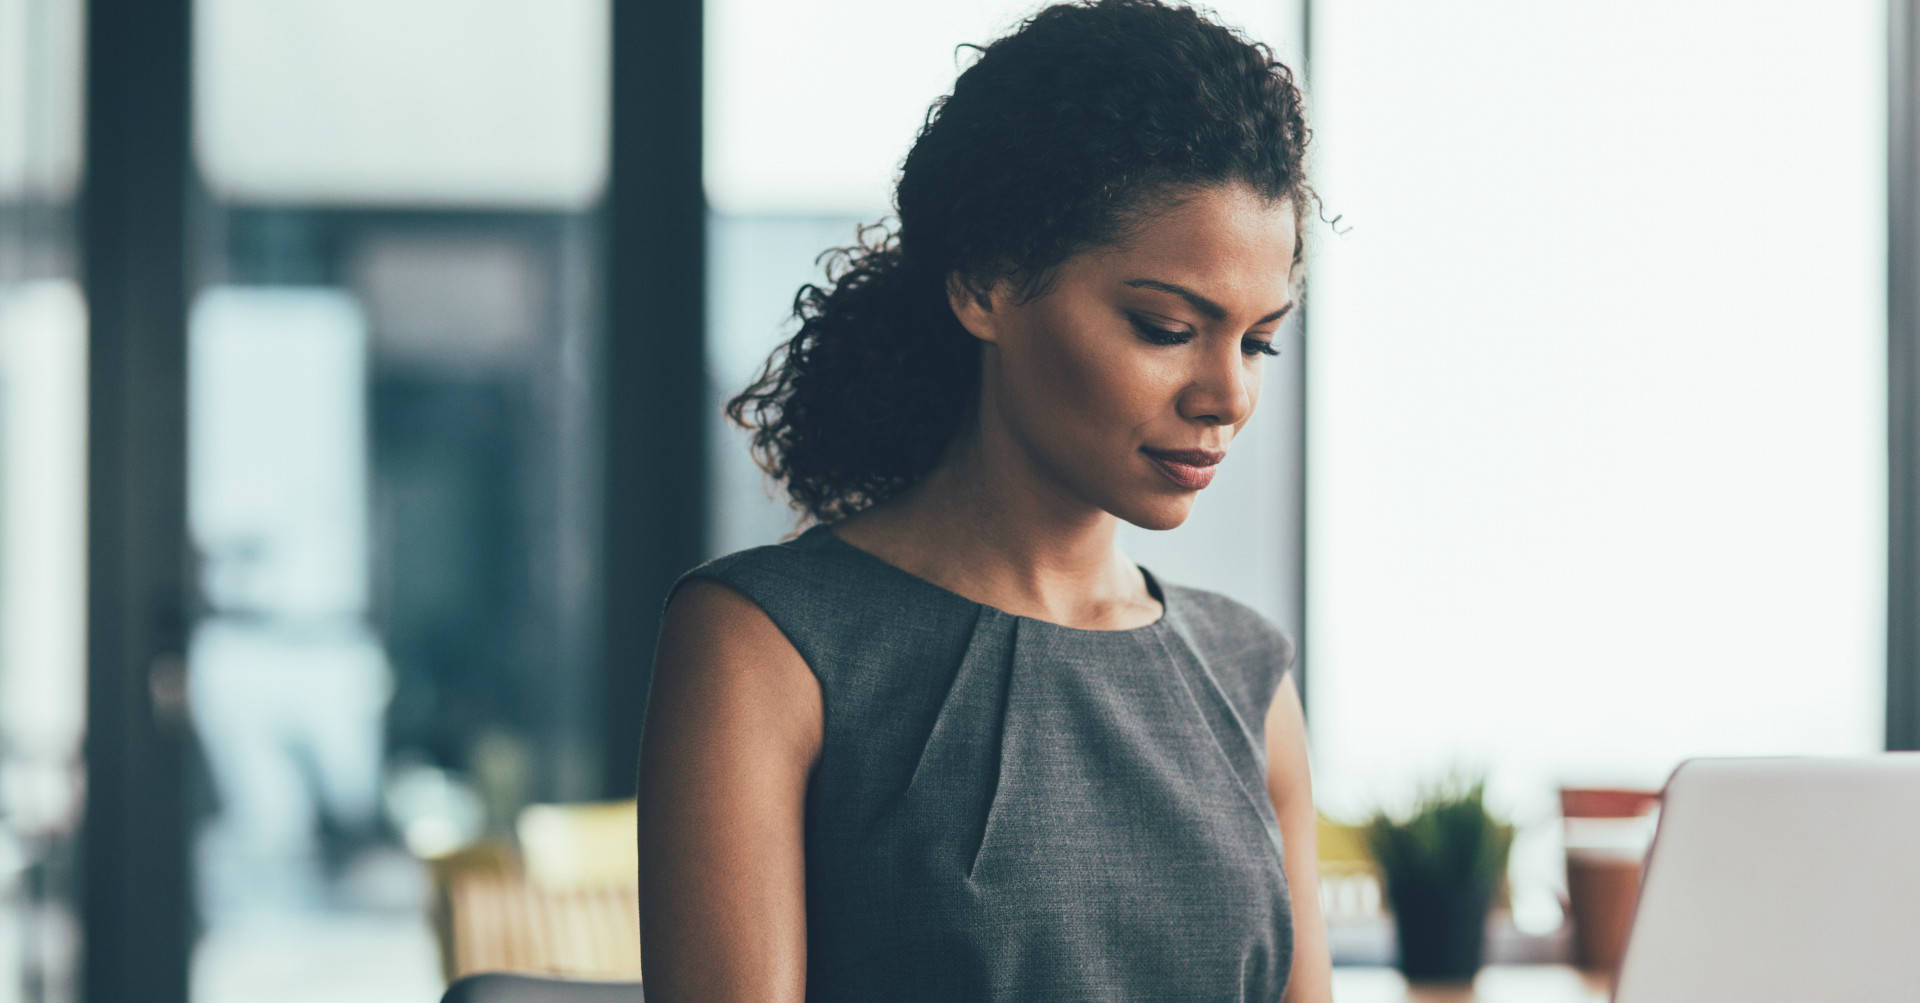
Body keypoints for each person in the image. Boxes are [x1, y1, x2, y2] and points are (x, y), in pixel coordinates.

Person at [638, 1, 1331, 999]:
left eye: (1259, 340)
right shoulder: (765, 645)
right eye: (1166, 326)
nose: (1228, 396)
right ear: (987, 285)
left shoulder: (1247, 670)